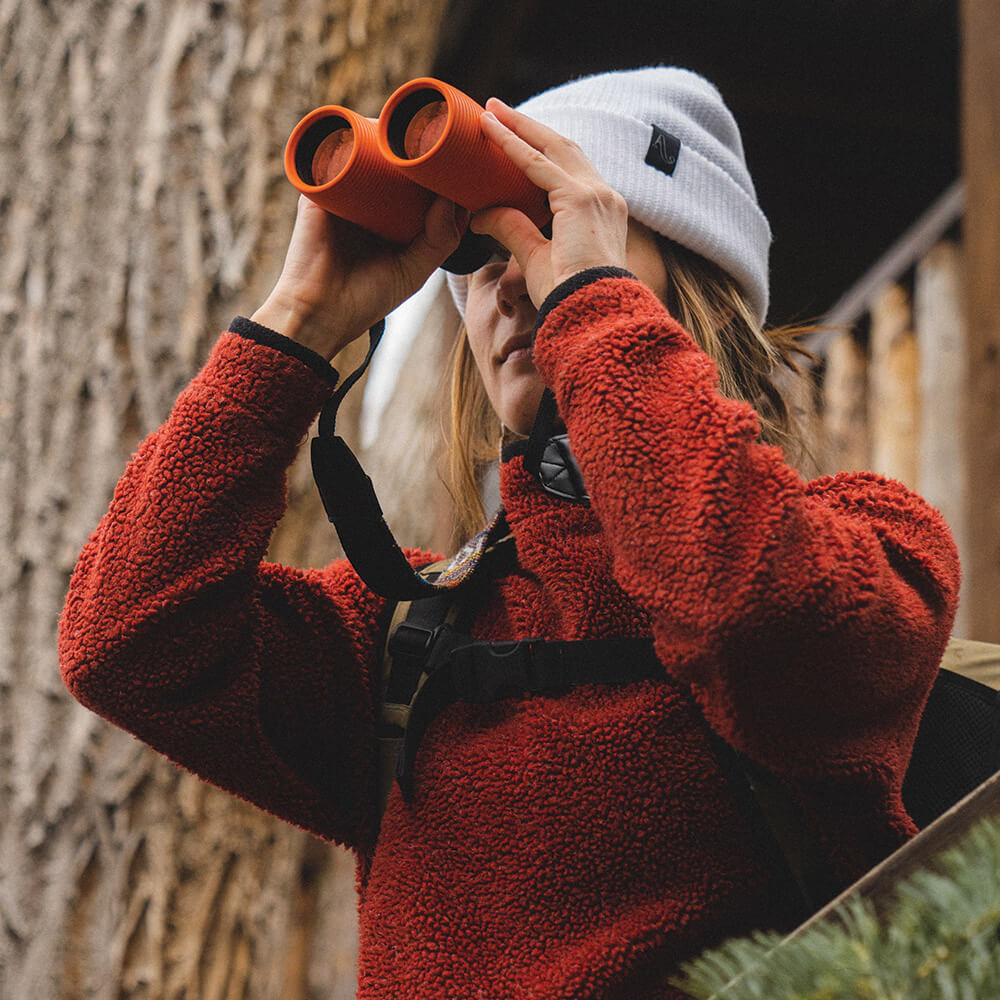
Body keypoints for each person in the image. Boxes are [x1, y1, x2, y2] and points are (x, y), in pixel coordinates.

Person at [59, 68, 959, 999]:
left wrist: (595, 306)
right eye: (476, 263)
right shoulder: (408, 634)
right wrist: (294, 325)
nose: (506, 287)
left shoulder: (874, 544)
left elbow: (739, 605)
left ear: (690, 282)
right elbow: (127, 643)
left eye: (541, 237)